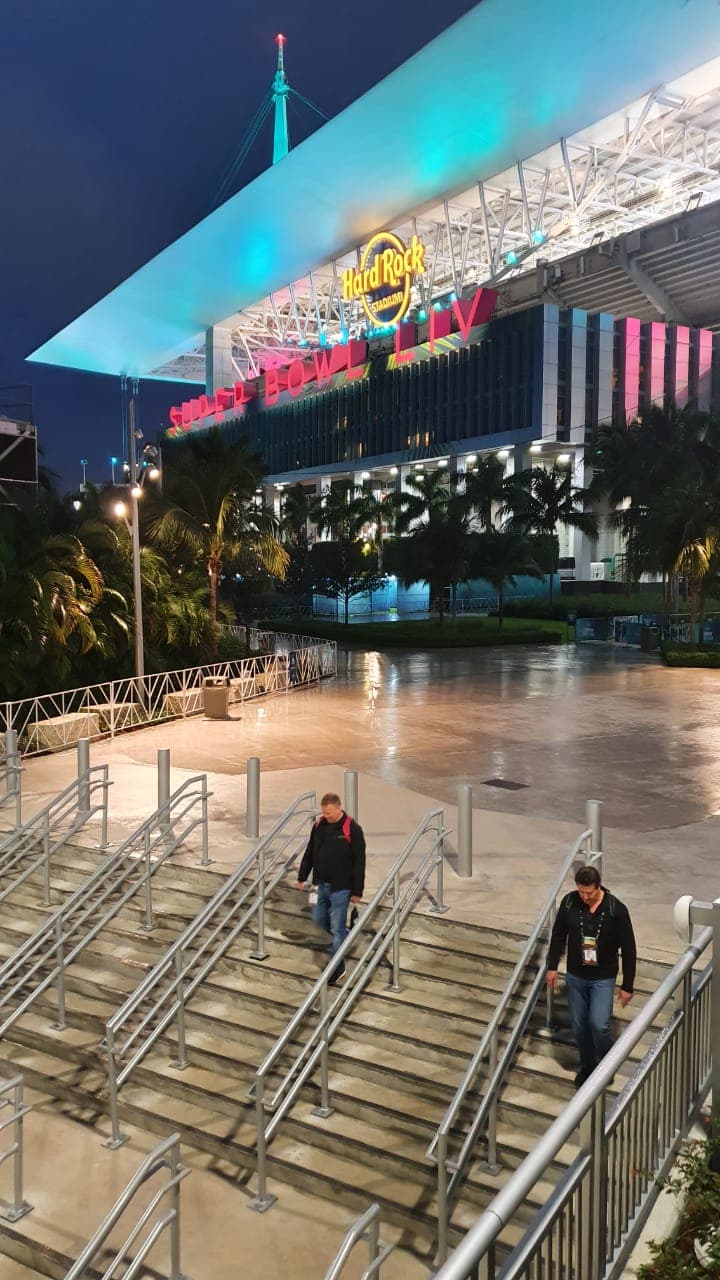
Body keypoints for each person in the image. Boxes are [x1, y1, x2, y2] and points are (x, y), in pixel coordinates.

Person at [546, 865, 636, 1089]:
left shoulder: (616, 910)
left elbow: (629, 948)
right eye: (581, 892)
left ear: (599, 887)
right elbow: (558, 935)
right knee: (579, 1027)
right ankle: (587, 1066)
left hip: (602, 977)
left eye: (590, 893)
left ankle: (606, 1064)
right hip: (576, 975)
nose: (585, 897)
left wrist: (627, 985)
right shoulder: (570, 902)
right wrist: (552, 966)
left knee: (598, 1023)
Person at [297, 792, 365, 983]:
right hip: (319, 884)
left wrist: (357, 890)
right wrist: (302, 875)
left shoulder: (352, 829)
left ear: (338, 808)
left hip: (341, 888)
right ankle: (343, 936)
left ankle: (337, 967)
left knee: (336, 928)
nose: (326, 816)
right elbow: (310, 851)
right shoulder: (319, 826)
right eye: (324, 813)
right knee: (319, 919)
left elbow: (360, 862)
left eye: (329, 813)